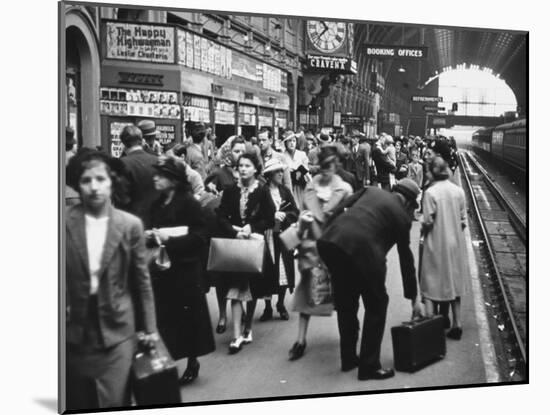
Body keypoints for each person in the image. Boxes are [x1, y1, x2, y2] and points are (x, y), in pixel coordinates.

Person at [65, 150, 158, 410]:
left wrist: (150, 330)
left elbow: (142, 283)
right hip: (74, 334)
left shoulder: (129, 225)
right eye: (86, 180)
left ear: (112, 182)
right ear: (76, 183)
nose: (94, 187)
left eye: (100, 179)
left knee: (113, 400)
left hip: (118, 333)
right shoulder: (62, 223)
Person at [317, 178, 424, 380]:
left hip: (331, 243)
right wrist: (413, 297)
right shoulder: (403, 217)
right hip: (364, 252)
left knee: (347, 302)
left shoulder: (371, 190)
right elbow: (405, 259)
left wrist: (328, 232)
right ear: (409, 203)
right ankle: (369, 366)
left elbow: (340, 206)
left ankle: (348, 358)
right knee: (377, 304)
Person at [147, 157, 215, 385]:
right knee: (165, 318)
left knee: (187, 319)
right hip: (162, 269)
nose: (155, 178)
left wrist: (170, 239)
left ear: (173, 180)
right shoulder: (156, 203)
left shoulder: (189, 203)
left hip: (185, 270)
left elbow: (200, 237)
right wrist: (151, 235)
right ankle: (168, 362)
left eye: (161, 175)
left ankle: (192, 360)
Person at [281, 147, 353, 361]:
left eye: (330, 166)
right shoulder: (310, 187)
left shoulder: (345, 190)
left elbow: (350, 221)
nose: (326, 170)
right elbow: (303, 213)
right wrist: (303, 221)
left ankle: (347, 337)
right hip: (311, 250)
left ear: (336, 165)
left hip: (335, 249)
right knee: (306, 295)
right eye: (323, 166)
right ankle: (300, 340)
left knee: (342, 297)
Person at [216, 153, 276, 353]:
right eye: (240, 165)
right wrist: (234, 230)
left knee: (251, 290)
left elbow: (269, 218)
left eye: (247, 165)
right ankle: (236, 336)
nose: (243, 169)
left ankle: (248, 326)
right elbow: (221, 216)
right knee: (235, 290)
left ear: (255, 169)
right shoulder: (230, 190)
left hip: (254, 245)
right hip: (234, 245)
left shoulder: (263, 191)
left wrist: (251, 227)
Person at [420, 157, 469, 340]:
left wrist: (423, 232)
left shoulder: (431, 193)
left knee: (430, 283)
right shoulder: (459, 191)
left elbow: (427, 221)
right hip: (455, 243)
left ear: (432, 171)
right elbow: (463, 220)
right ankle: (457, 323)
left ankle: (432, 327)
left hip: (435, 243)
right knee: (454, 282)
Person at [203, 136, 246, 335]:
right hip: (222, 230)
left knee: (239, 276)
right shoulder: (219, 174)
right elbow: (206, 197)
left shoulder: (247, 171)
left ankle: (241, 310)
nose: (240, 155)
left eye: (242, 151)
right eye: (237, 151)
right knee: (221, 278)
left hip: (240, 230)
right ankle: (222, 315)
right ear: (229, 152)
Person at [259, 158, 300, 322]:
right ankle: (267, 307)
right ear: (269, 175)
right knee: (267, 270)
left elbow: (295, 211)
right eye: (278, 171)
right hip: (268, 235)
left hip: (284, 235)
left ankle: (281, 304)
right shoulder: (262, 192)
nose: (281, 174)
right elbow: (256, 215)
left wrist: (286, 216)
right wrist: (271, 216)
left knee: (284, 269)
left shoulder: (285, 191)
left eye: (282, 171)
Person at [119, 124, 158, 229]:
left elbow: (120, 200)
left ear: (124, 143)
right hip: (157, 225)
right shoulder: (157, 161)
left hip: (132, 225)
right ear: (141, 140)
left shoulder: (122, 164)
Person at [282, 130, 310, 208]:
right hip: (288, 186)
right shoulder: (282, 156)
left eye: (294, 141)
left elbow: (306, 171)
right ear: (285, 143)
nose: (292, 143)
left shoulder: (302, 154)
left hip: (300, 186)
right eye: (289, 141)